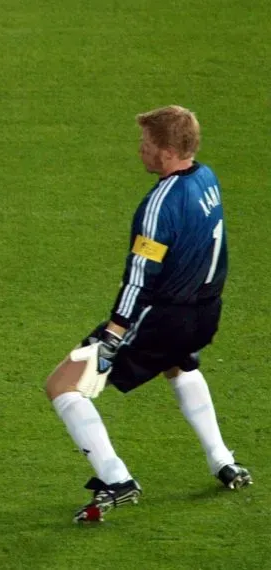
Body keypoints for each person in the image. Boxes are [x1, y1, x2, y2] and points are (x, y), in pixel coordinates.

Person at [44, 106, 251, 522]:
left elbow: (140, 276)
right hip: (205, 311)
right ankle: (222, 460)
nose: (140, 150)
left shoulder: (159, 205)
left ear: (168, 152)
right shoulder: (207, 179)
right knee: (178, 363)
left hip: (164, 316)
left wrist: (114, 335)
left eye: (147, 145)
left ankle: (115, 478)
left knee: (63, 384)